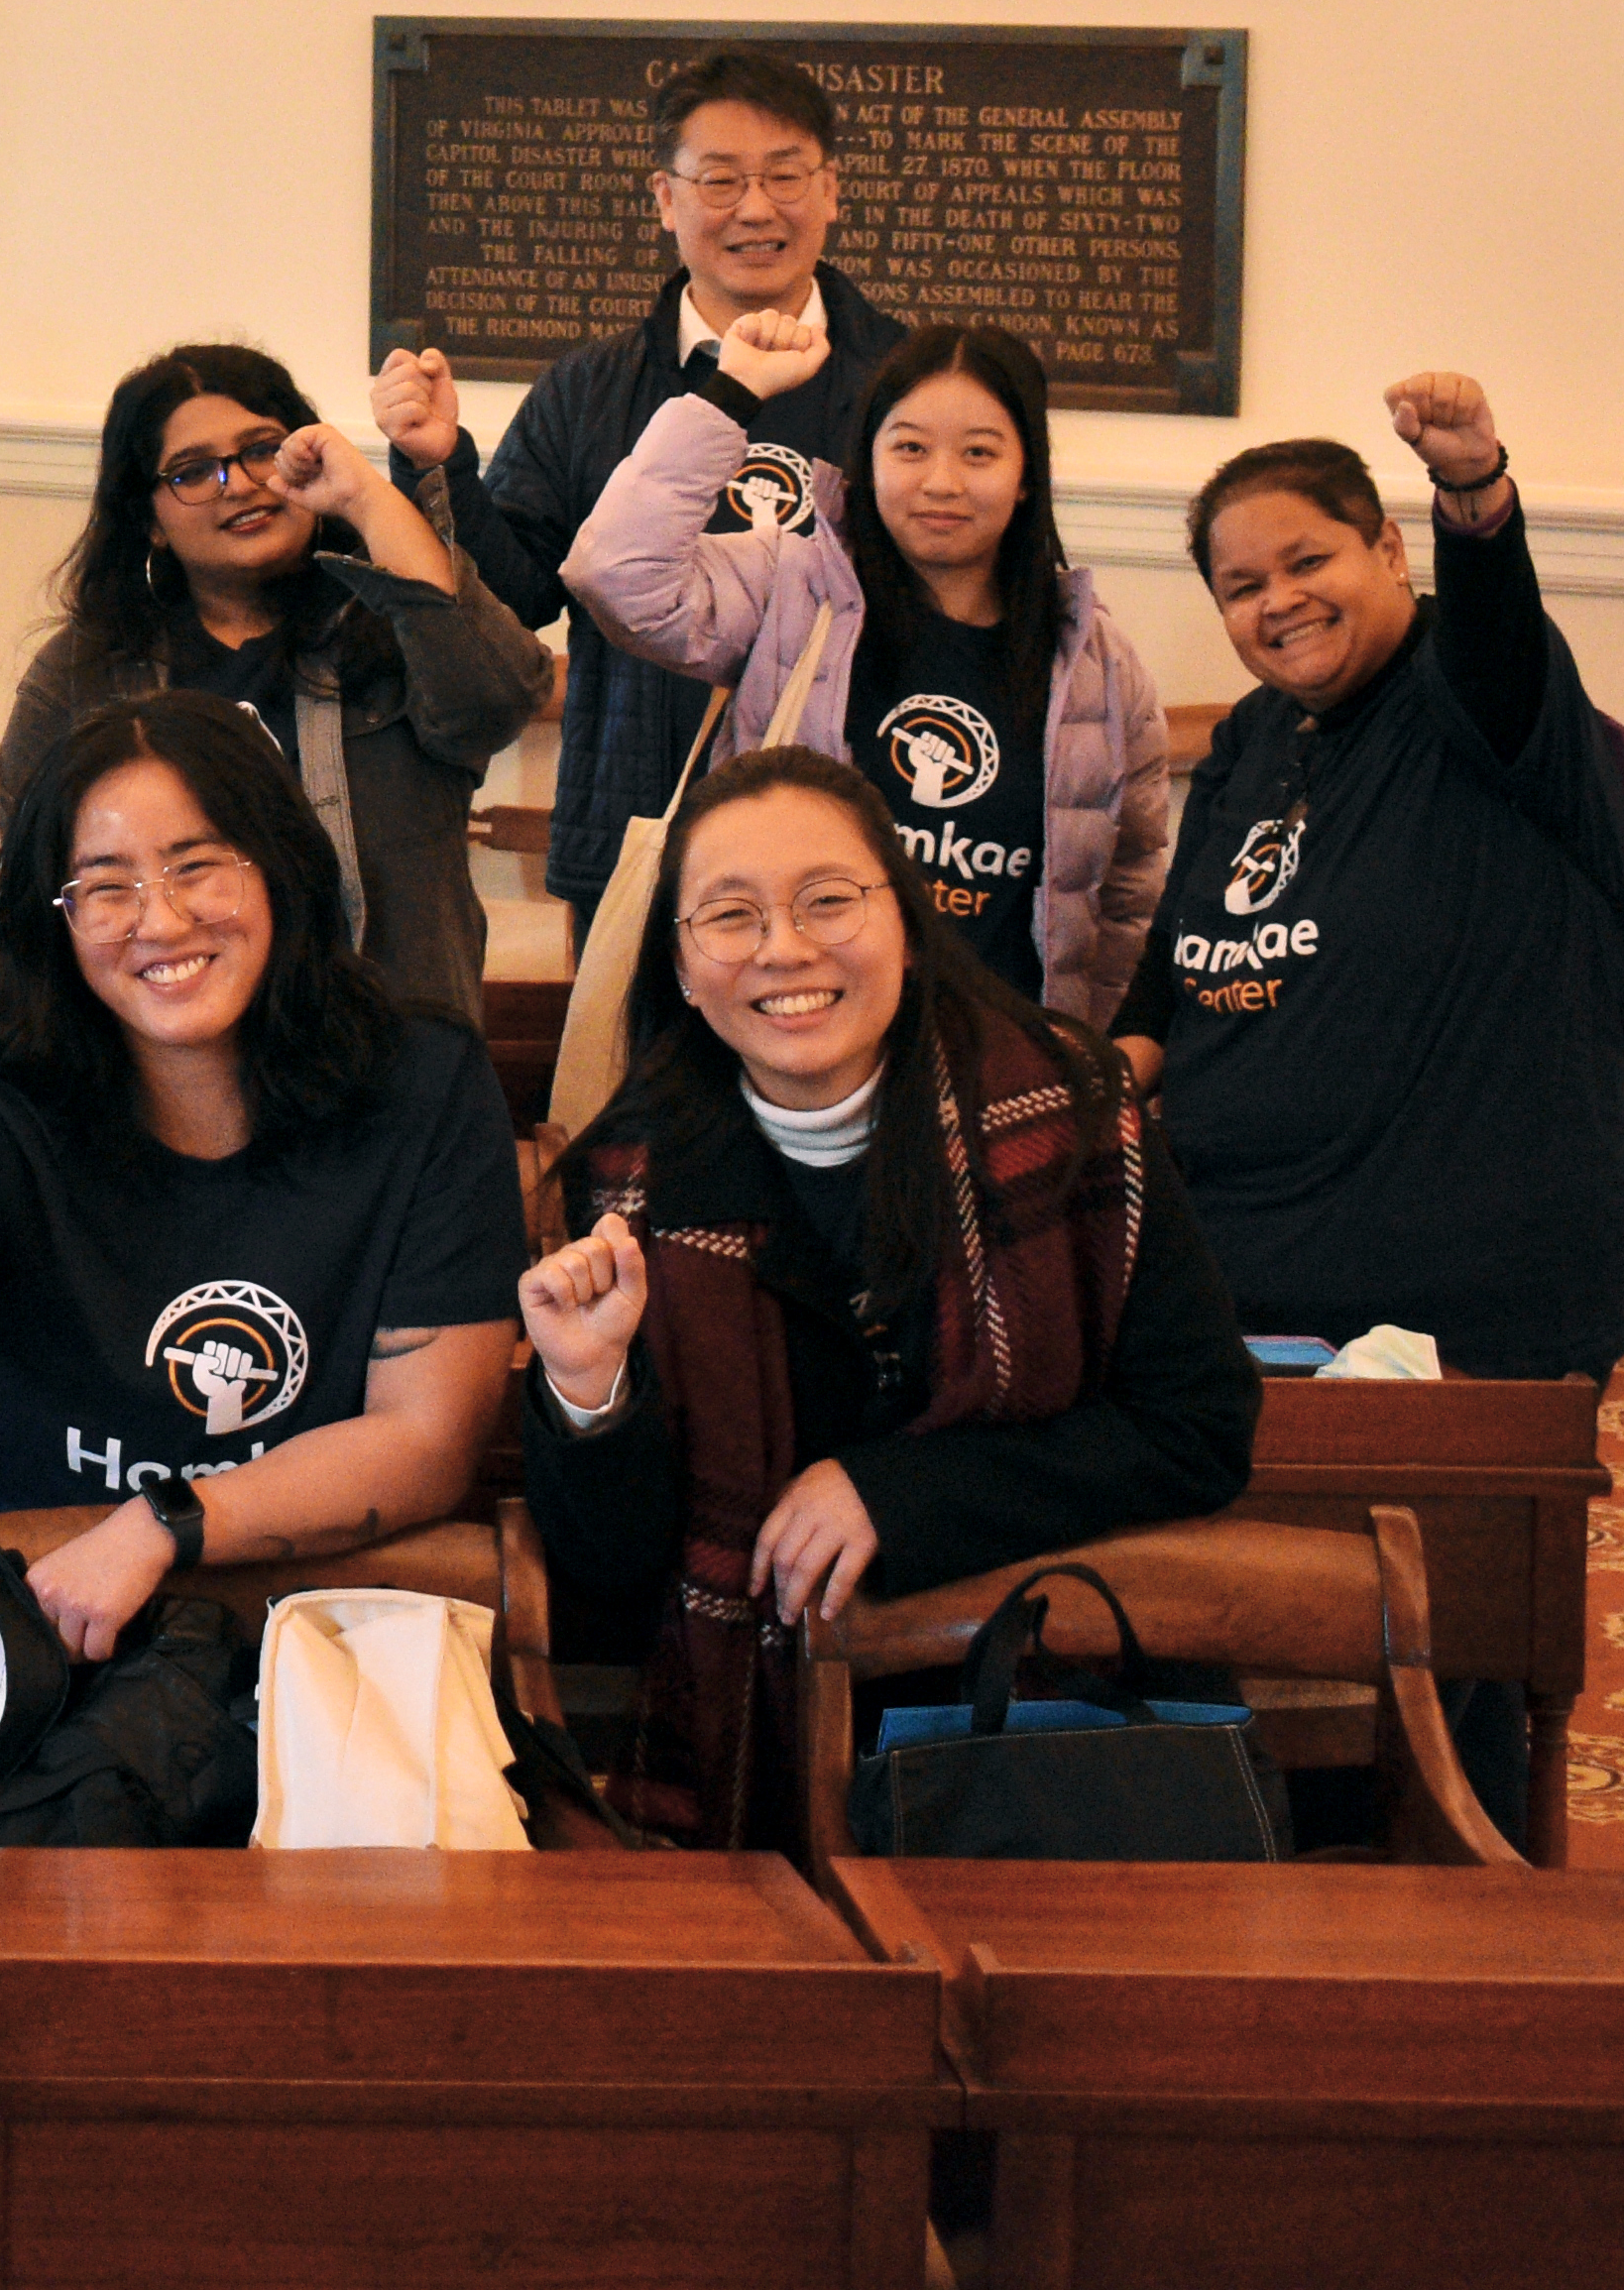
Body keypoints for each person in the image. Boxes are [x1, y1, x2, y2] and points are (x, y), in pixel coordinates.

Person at [0, 695, 522, 1827]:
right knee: (46, 1894)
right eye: (103, 885)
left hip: (311, 1589)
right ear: (55, 917)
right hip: (20, 1599)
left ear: (277, 869)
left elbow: (425, 1440)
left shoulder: (420, 1083)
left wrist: (160, 1520)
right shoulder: (0, 1099)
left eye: (196, 865)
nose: (157, 919)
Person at [521, 749, 1256, 1846]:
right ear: (678, 964)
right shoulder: (627, 1179)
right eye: (729, 914)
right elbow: (615, 1568)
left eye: (828, 899)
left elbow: (1197, 1426)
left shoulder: (1071, 1110)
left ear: (903, 922)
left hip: (1046, 1728)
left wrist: (898, 1496)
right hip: (755, 1753)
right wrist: (589, 1391)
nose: (784, 947)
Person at [1115, 375, 1624, 1378]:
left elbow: (1496, 617)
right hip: (1244, 1276)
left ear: (1391, 551)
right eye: (1240, 586)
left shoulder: (1483, 698)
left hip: (1462, 1298)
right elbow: (1174, 958)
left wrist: (1471, 487)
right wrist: (1097, 1076)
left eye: (1307, 559)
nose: (1278, 599)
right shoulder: (1253, 736)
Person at [385, 47, 907, 932]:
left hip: (857, 845)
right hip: (639, 828)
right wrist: (439, 463)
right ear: (664, 196)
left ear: (831, 190)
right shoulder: (590, 389)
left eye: (785, 176)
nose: (755, 208)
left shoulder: (912, 385)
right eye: (720, 180)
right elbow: (517, 594)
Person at [568, 318, 1170, 1021]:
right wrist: (728, 395)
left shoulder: (1097, 659)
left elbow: (1126, 894)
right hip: (797, 1033)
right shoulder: (790, 586)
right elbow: (615, 577)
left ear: (1026, 478)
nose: (941, 481)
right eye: (910, 447)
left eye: (979, 452)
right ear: (868, 461)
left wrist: (1087, 1054)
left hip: (997, 1060)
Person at [0, 346, 546, 1030]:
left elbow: (499, 699)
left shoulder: (386, 629)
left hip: (385, 1046)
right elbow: (31, 884)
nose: (238, 483)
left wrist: (367, 497)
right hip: (165, 1059)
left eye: (263, 450)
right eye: (193, 471)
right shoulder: (85, 669)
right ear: (149, 520)